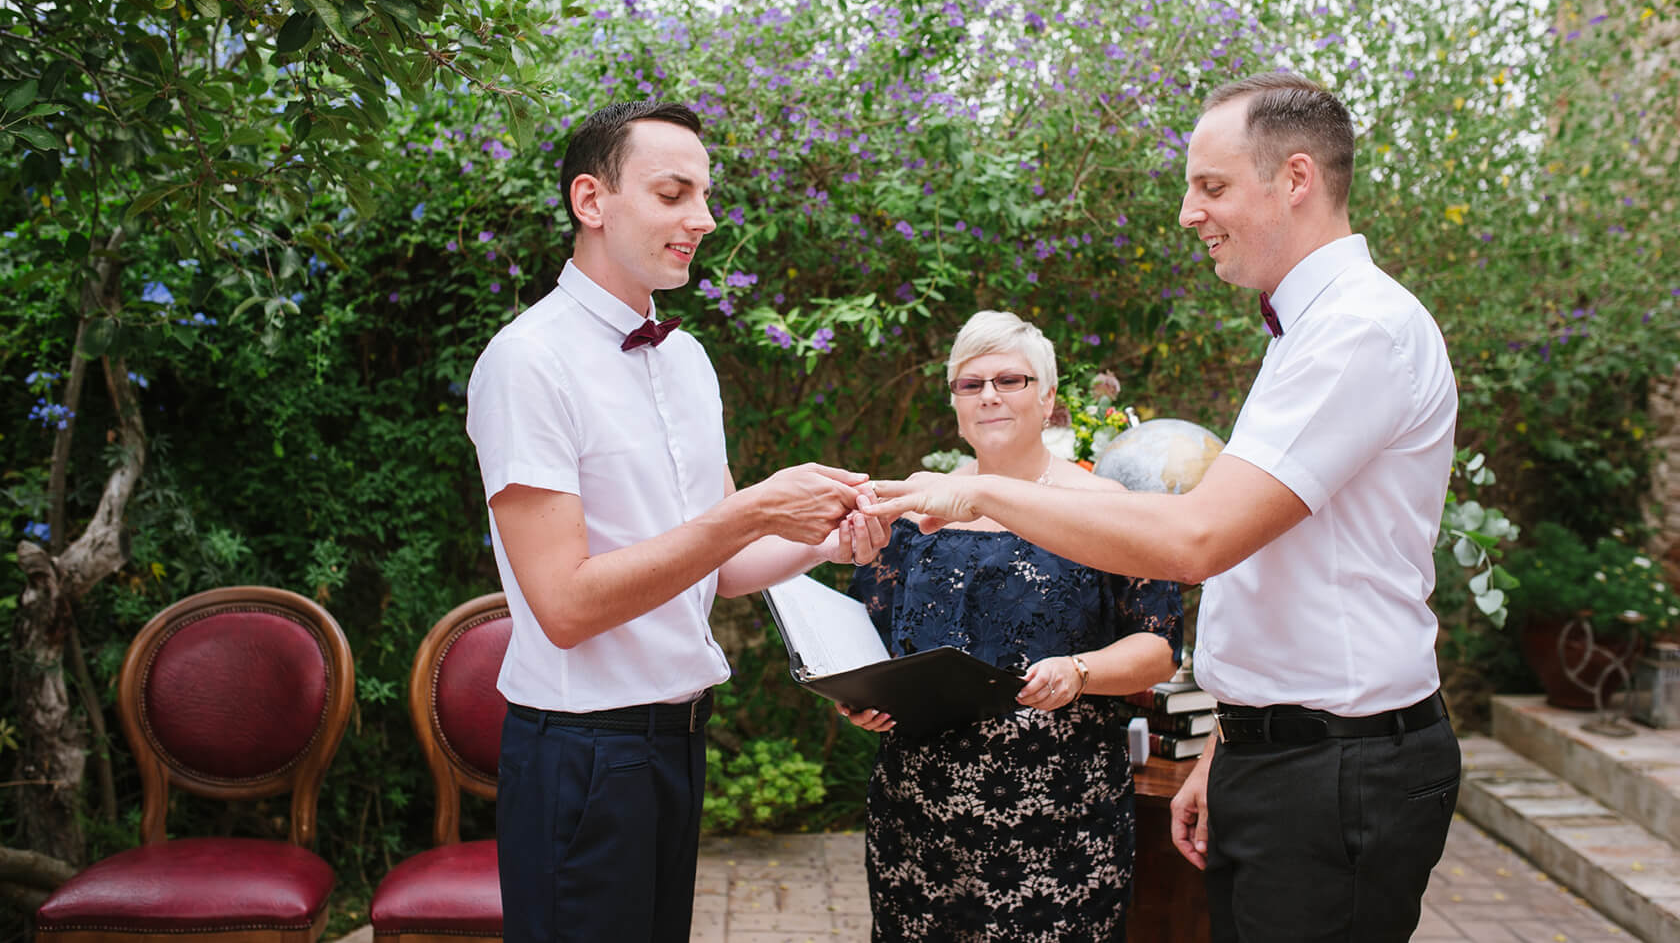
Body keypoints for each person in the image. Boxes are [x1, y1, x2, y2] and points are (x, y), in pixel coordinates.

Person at [867, 73, 1461, 942]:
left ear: (1295, 179)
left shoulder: (1358, 331)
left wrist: (979, 491)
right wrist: (1230, 745)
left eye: (1211, 186)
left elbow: (1198, 540)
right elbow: (1284, 575)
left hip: (1335, 772)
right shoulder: (1308, 332)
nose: (1189, 212)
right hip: (1289, 754)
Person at [466, 100, 887, 943]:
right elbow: (567, 606)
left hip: (678, 740)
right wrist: (752, 509)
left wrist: (829, 540)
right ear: (592, 201)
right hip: (581, 756)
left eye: (705, 195)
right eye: (674, 194)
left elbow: (723, 565)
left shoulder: (688, 360)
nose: (703, 218)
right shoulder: (526, 362)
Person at [841, 310, 1181, 942]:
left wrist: (1082, 672)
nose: (989, 395)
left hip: (1062, 817)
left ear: (1049, 396)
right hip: (919, 819)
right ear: (955, 403)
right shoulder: (917, 507)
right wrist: (858, 699)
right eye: (971, 384)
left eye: (1010, 379)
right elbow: (868, 640)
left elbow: (1161, 648)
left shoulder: (1105, 506)